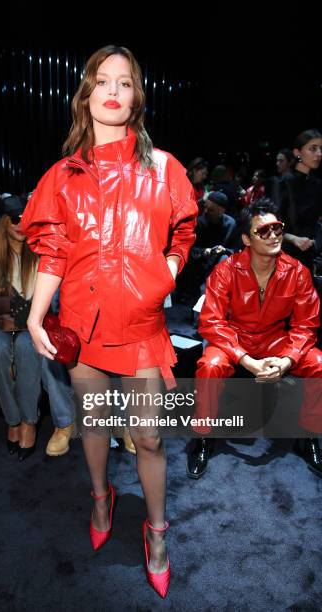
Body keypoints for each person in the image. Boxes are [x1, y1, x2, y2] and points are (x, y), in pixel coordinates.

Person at [21, 45, 197, 598]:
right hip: (82, 323)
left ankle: (158, 530)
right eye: (103, 81)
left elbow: (184, 234)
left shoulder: (163, 167)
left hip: (142, 324)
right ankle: (101, 497)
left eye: (125, 81)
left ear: (137, 96)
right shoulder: (63, 176)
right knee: (93, 426)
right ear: (87, 95)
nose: (114, 90)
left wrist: (164, 277)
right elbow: (52, 252)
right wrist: (34, 316)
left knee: (147, 435)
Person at [187, 199, 322, 479]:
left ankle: (309, 435)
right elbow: (211, 321)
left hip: (276, 339)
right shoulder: (226, 270)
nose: (273, 235)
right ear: (247, 239)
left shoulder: (297, 271)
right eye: (264, 231)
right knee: (210, 366)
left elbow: (306, 325)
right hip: (234, 339)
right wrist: (244, 359)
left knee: (318, 363)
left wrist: (287, 360)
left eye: (278, 228)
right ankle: (202, 436)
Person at [0, 197, 76, 461]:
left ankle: (28, 421)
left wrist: (24, 315)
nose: (21, 224)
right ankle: (12, 420)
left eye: (27, 218)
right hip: (0, 324)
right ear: (3, 222)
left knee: (28, 347)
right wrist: (11, 309)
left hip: (34, 324)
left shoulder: (40, 249)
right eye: (15, 219)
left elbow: (50, 297)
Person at [274, 128, 322, 269]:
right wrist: (293, 239)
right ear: (297, 153)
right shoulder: (281, 184)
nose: (319, 154)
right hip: (283, 254)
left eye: (320, 149)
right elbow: (271, 225)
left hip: (310, 255)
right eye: (313, 149)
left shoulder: (316, 184)